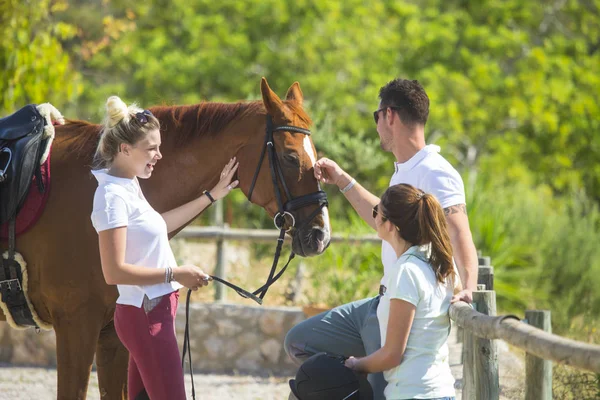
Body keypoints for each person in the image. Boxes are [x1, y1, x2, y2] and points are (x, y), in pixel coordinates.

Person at [284, 78, 477, 399]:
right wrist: (343, 180)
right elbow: (384, 220)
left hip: (407, 306)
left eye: (376, 117)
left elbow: (460, 233)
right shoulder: (403, 171)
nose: (375, 126)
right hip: (383, 301)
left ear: (389, 115)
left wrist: (469, 286)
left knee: (347, 386)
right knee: (300, 342)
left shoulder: (435, 171)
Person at [90, 96, 238, 400]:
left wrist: (211, 196)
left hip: (151, 312)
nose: (158, 155)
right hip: (145, 315)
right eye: (151, 149)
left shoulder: (129, 184)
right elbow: (113, 271)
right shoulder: (111, 197)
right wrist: (176, 273)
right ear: (125, 149)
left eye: (158, 147)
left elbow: (159, 223)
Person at [344, 183, 456, 400]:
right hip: (442, 390)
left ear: (391, 225)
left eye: (377, 212)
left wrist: (356, 364)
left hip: (412, 393)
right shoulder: (440, 263)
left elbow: (392, 355)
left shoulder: (406, 271)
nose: (374, 216)